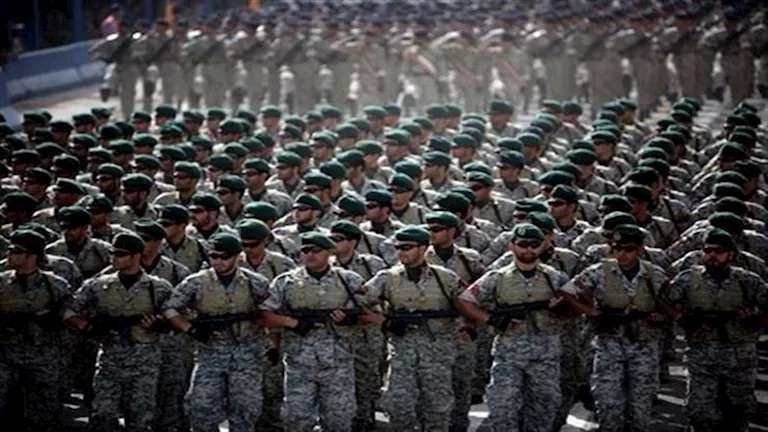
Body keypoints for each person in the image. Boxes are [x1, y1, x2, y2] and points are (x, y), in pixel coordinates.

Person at [457, 223, 570, 432]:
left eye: (534, 244)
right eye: (523, 244)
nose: (528, 249)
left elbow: (579, 305)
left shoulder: (555, 278)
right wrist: (490, 319)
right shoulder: (497, 277)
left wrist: (562, 308)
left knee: (543, 412)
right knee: (503, 409)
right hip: (508, 356)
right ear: (512, 246)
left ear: (543, 246)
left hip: (545, 356)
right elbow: (465, 300)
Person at [561, 224, 675, 432]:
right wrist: (590, 311)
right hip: (609, 345)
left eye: (628, 249)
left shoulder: (654, 275)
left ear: (640, 250)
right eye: (617, 249)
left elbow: (673, 307)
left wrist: (661, 317)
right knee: (608, 403)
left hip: (643, 347)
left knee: (640, 408)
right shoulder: (599, 272)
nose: (622, 254)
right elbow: (568, 291)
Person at [163, 233, 274, 432]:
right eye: (214, 256)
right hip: (210, 354)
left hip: (247, 355)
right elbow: (170, 308)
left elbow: (271, 313)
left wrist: (271, 344)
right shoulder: (196, 282)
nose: (218, 261)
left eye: (224, 257)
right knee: (200, 407)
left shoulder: (255, 283)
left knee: (246, 410)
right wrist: (190, 328)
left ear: (237, 257)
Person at [64, 233, 174, 432]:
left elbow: (177, 318)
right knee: (102, 415)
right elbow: (68, 310)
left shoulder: (158, 288)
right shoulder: (99, 285)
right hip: (110, 359)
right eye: (112, 253)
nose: (114, 258)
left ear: (136, 256)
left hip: (145, 361)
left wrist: (160, 325)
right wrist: (87, 326)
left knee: (140, 418)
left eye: (120, 254)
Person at [360, 226, 464, 432]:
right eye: (398, 248)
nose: (401, 252)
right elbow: (358, 303)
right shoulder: (387, 278)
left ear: (424, 248)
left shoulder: (445, 278)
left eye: (407, 247)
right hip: (402, 352)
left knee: (437, 408)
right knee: (398, 405)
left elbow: (468, 304)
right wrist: (384, 321)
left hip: (437, 353)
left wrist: (467, 328)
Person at [260, 232, 367, 432]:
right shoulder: (285, 282)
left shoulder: (348, 280)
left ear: (329, 253)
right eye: (305, 250)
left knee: (339, 420)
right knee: (297, 420)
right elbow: (263, 315)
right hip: (299, 364)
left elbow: (372, 313)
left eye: (316, 250)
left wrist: (350, 319)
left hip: (338, 364)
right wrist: (292, 323)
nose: (310, 255)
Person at [666, 229, 766, 432]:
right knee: (699, 412)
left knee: (738, 412)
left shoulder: (748, 281)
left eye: (719, 251)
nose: (712, 255)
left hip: (740, 357)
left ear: (731, 254)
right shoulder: (688, 279)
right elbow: (665, 300)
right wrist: (682, 318)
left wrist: (754, 318)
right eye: (708, 250)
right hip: (702, 355)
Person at [0, 230, 71, 432]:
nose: (9, 254)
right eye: (9, 249)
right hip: (6, 357)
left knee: (43, 416)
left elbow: (68, 319)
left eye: (16, 251)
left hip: (43, 358)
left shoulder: (55, 285)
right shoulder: (1, 283)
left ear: (32, 256)